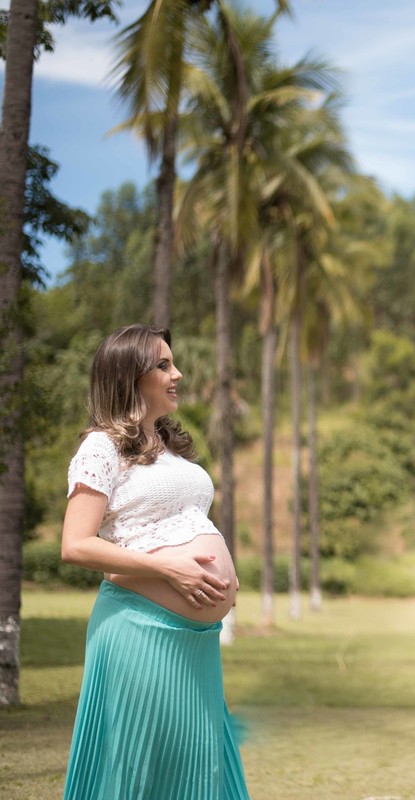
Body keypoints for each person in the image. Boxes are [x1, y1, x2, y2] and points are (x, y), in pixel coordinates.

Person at [60, 324, 249, 800]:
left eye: (173, 362)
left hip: (195, 642)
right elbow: (76, 544)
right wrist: (171, 569)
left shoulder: (170, 449)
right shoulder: (101, 447)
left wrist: (221, 575)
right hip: (139, 631)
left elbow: (181, 524)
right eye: (163, 365)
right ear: (129, 376)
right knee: (141, 769)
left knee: (199, 768)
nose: (177, 374)